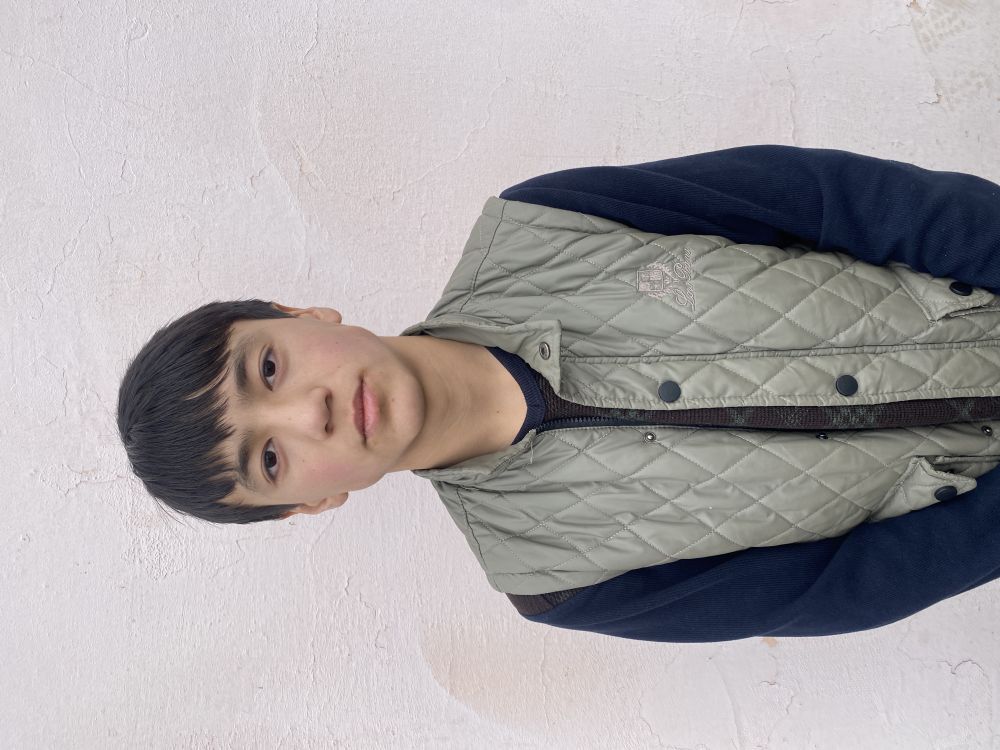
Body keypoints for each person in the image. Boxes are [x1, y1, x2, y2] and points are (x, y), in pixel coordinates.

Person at [117, 145, 1000, 642]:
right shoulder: (560, 581)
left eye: (268, 369)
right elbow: (839, 588)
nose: (306, 411)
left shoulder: (545, 223)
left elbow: (836, 201)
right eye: (271, 459)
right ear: (311, 505)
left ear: (300, 312)